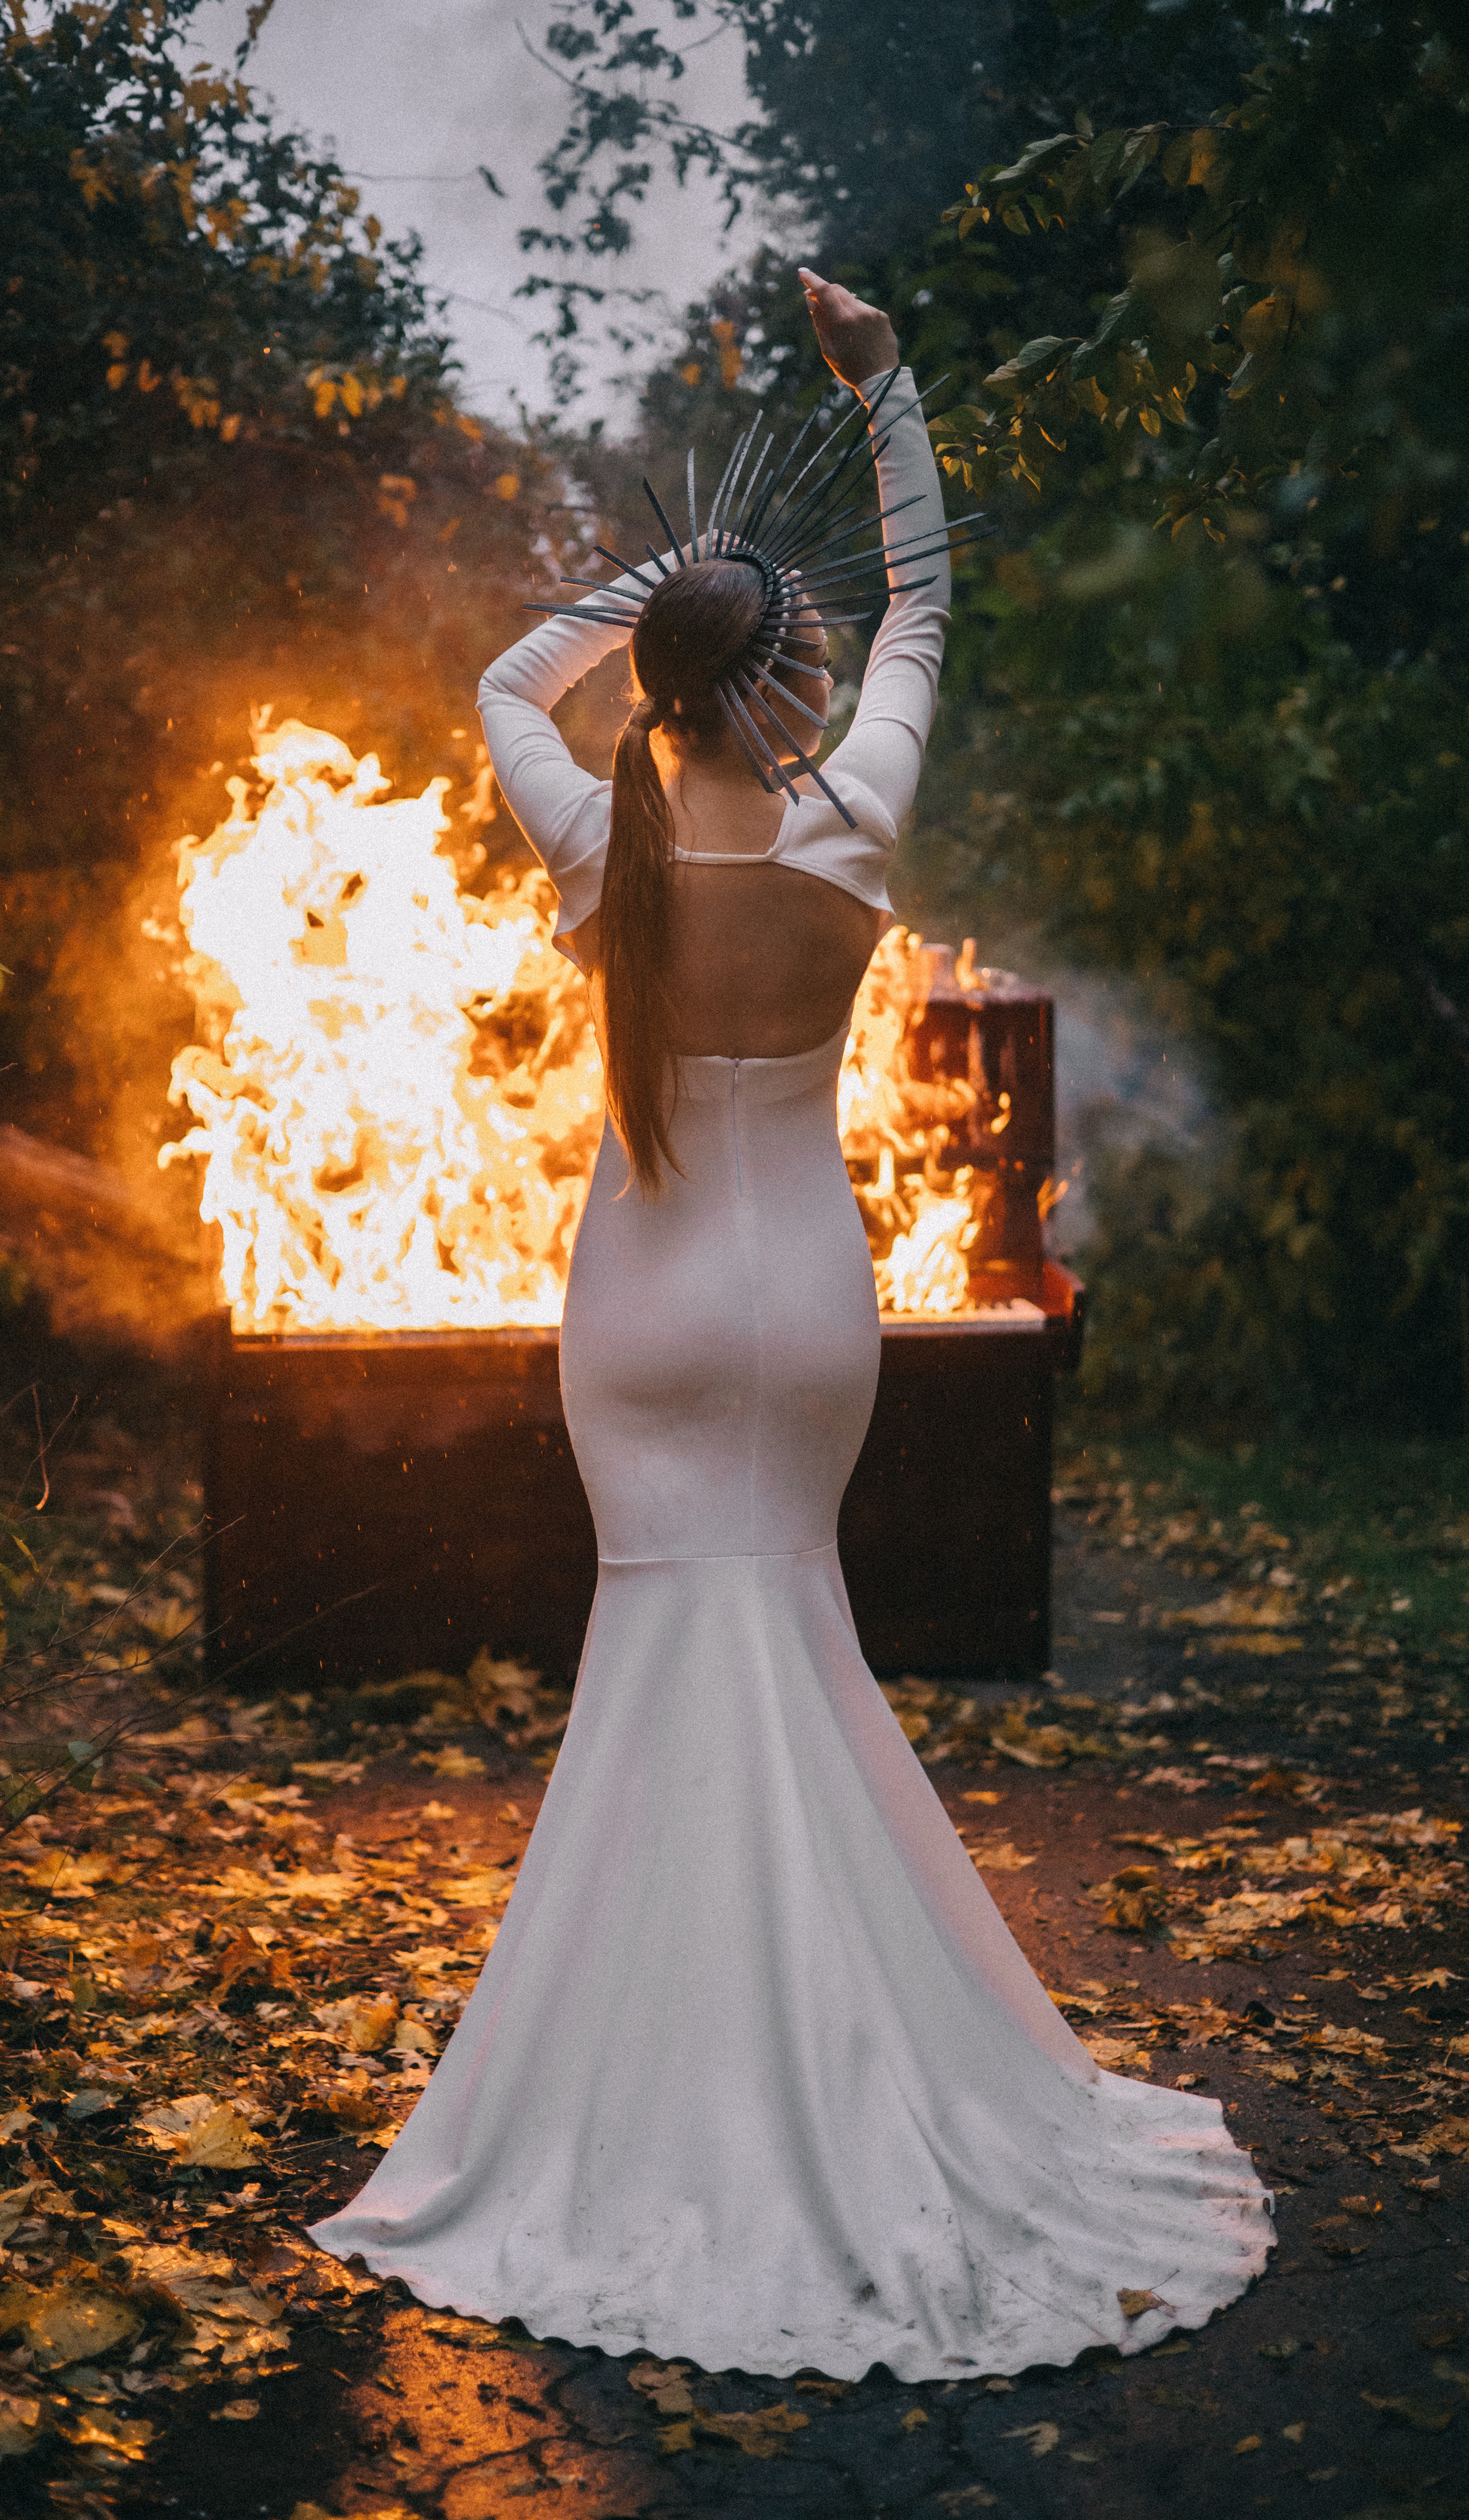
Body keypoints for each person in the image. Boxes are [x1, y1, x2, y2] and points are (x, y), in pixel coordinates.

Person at [308, 272, 1273, 2381]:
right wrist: (884, 388)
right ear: (791, 683)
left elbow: (499, 683)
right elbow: (928, 594)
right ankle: (829, 2060)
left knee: (663, 1649)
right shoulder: (852, 830)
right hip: (805, 1297)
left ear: (657, 691)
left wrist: (667, 590)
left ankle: (637, 2089)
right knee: (794, 1631)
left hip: (639, 1298)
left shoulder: (597, 849)